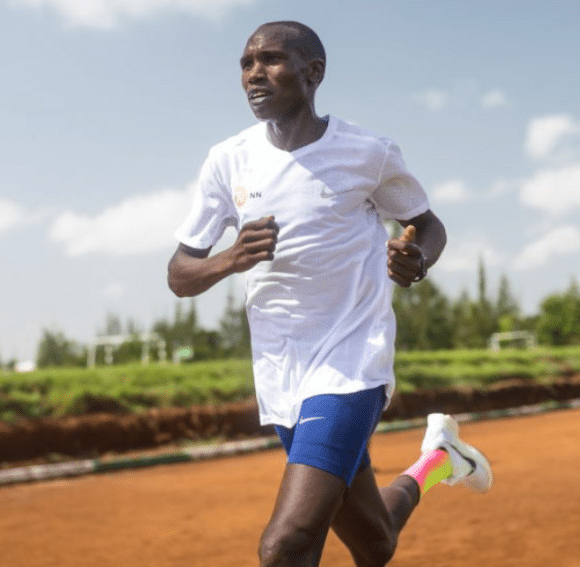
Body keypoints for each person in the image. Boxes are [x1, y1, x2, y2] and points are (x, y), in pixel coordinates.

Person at [167, 21, 492, 566]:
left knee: (286, 544)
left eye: (270, 60)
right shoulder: (227, 160)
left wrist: (417, 259)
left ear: (313, 72)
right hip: (280, 371)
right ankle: (439, 461)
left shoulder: (367, 152)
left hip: (350, 363)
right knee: (375, 543)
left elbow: (428, 226)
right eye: (246, 64)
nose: (253, 74)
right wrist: (232, 258)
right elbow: (180, 274)